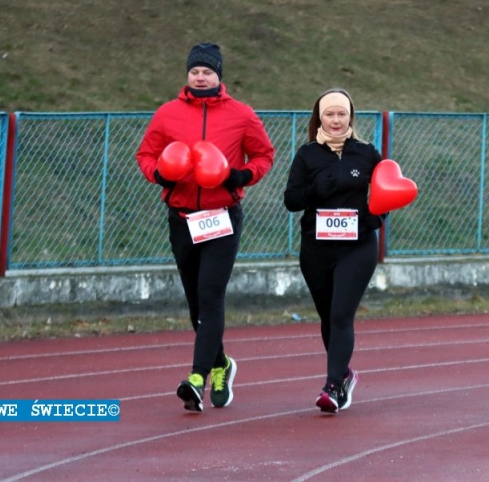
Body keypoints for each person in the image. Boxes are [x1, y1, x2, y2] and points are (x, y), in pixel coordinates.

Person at [136, 42, 275, 412]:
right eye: (195, 71)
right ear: (188, 75)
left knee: (211, 297)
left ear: (219, 76)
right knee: (196, 304)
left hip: (221, 219)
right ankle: (222, 364)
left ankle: (196, 378)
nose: (200, 77)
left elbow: (264, 154)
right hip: (181, 219)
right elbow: (145, 155)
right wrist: (160, 174)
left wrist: (241, 175)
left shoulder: (241, 115)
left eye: (207, 71)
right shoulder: (166, 114)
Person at [283, 88, 384, 414]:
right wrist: (316, 190)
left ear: (351, 117)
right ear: (319, 118)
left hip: (357, 247)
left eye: (342, 114)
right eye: (330, 114)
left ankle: (331, 386)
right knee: (328, 317)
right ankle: (343, 374)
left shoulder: (368, 153)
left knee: (342, 314)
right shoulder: (306, 155)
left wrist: (377, 216)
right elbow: (291, 200)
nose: (336, 120)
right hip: (316, 248)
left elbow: (387, 191)